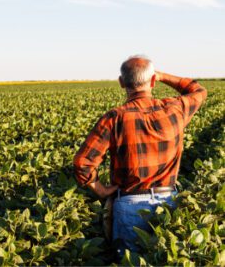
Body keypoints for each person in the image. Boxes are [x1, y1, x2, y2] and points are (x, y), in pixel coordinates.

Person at [73, 55, 207, 253]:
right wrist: (162, 76)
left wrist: (100, 189)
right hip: (167, 203)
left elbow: (82, 162)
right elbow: (198, 90)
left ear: (121, 82)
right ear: (152, 81)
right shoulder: (175, 109)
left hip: (128, 204)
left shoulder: (114, 118)